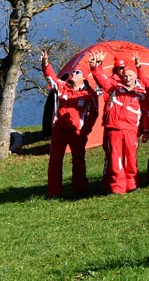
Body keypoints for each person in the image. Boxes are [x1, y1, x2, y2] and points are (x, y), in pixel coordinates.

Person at [40, 51, 100, 198]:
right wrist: (45, 64)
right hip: (59, 131)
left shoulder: (89, 94)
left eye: (77, 72)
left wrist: (85, 130)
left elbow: (94, 114)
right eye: (73, 72)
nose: (73, 74)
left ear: (84, 77)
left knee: (78, 161)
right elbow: (51, 78)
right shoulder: (62, 87)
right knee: (54, 162)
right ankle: (54, 192)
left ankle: (79, 189)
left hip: (76, 132)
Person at [88, 50, 149, 194]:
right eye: (125, 75)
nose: (127, 78)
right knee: (116, 160)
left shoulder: (141, 93)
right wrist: (95, 67)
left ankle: (132, 185)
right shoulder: (115, 88)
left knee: (131, 159)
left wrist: (145, 130)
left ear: (135, 76)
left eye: (130, 75)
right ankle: (117, 187)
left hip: (131, 130)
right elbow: (102, 80)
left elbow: (145, 113)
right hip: (114, 128)